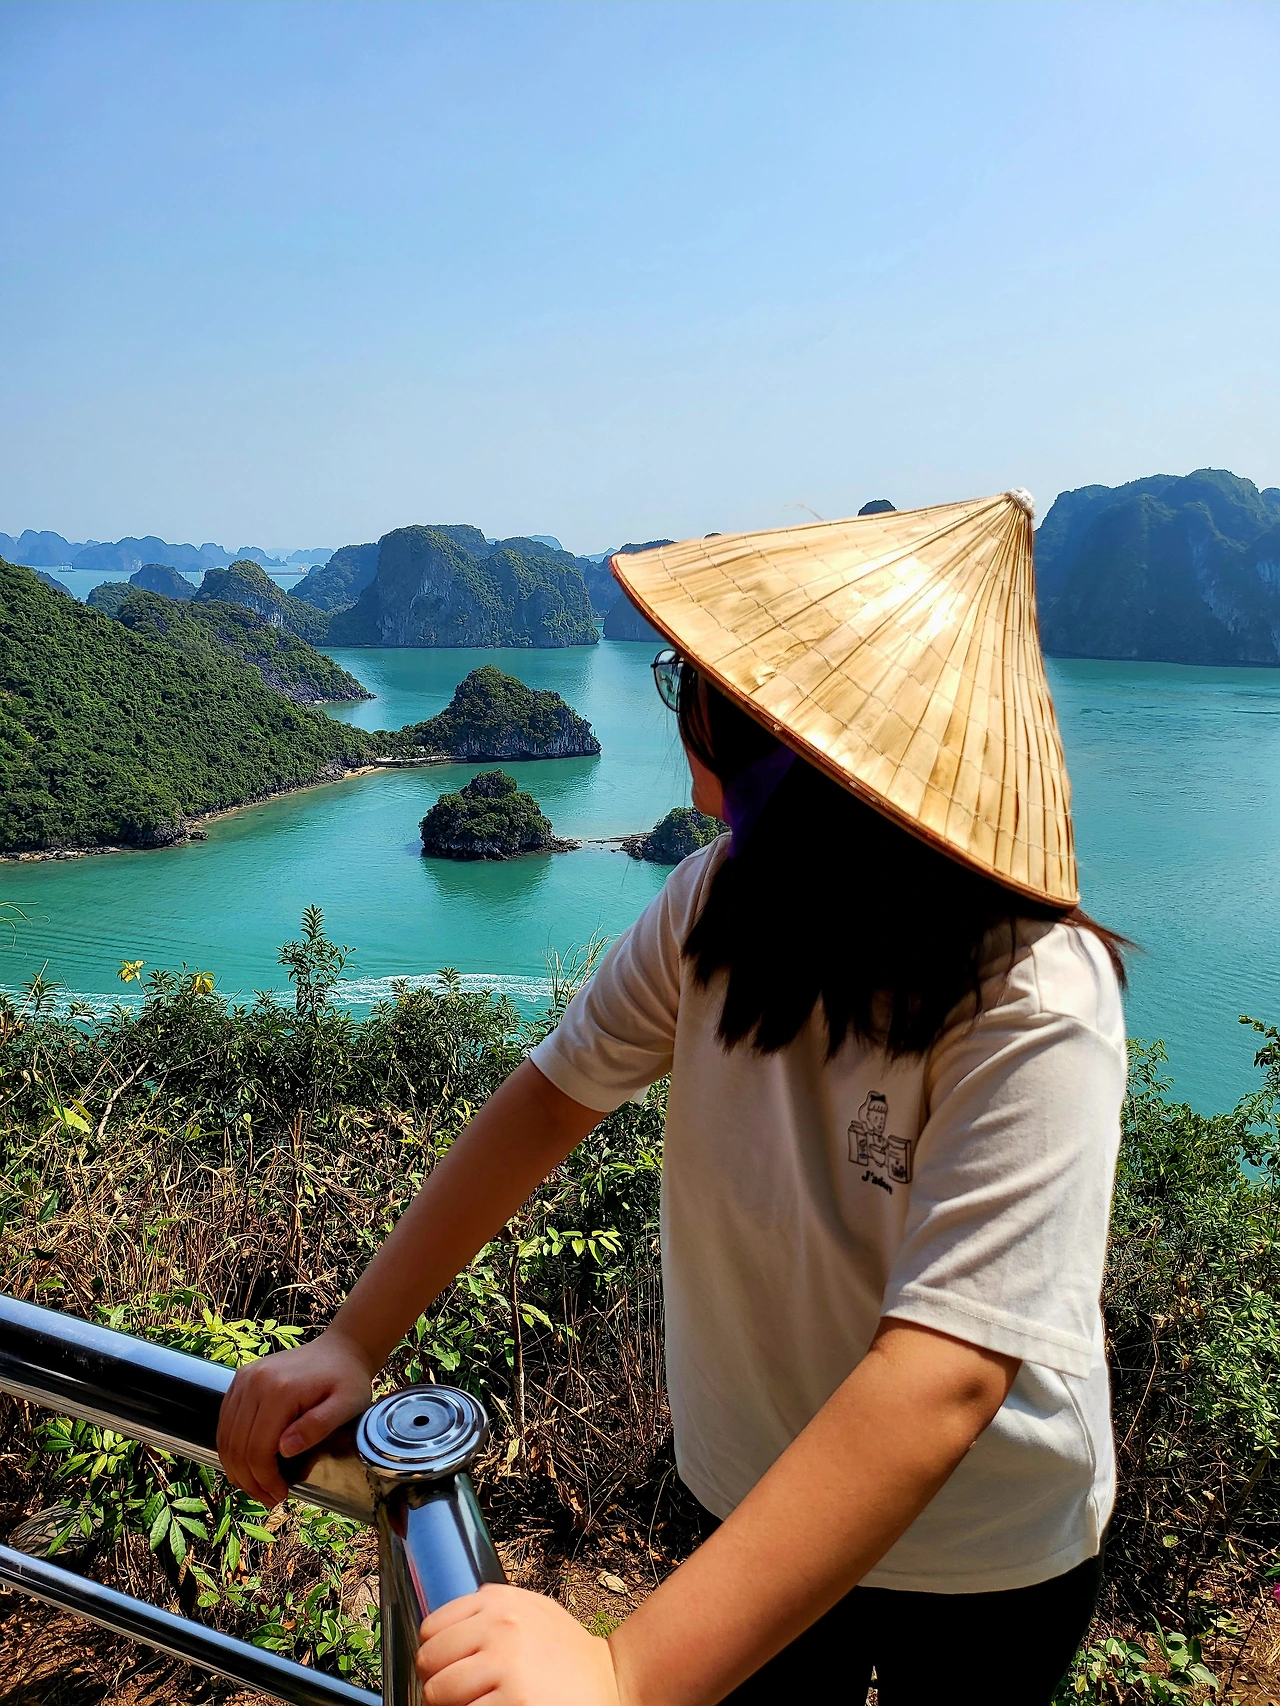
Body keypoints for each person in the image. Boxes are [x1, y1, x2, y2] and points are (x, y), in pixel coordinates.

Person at [219, 492, 1128, 1705]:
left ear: (784, 749)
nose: (685, 727)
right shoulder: (715, 903)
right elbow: (549, 1098)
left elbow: (942, 1373)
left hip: (985, 1547)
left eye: (695, 692)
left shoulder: (1033, 995)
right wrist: (353, 1335)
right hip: (751, 1497)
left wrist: (628, 1671)